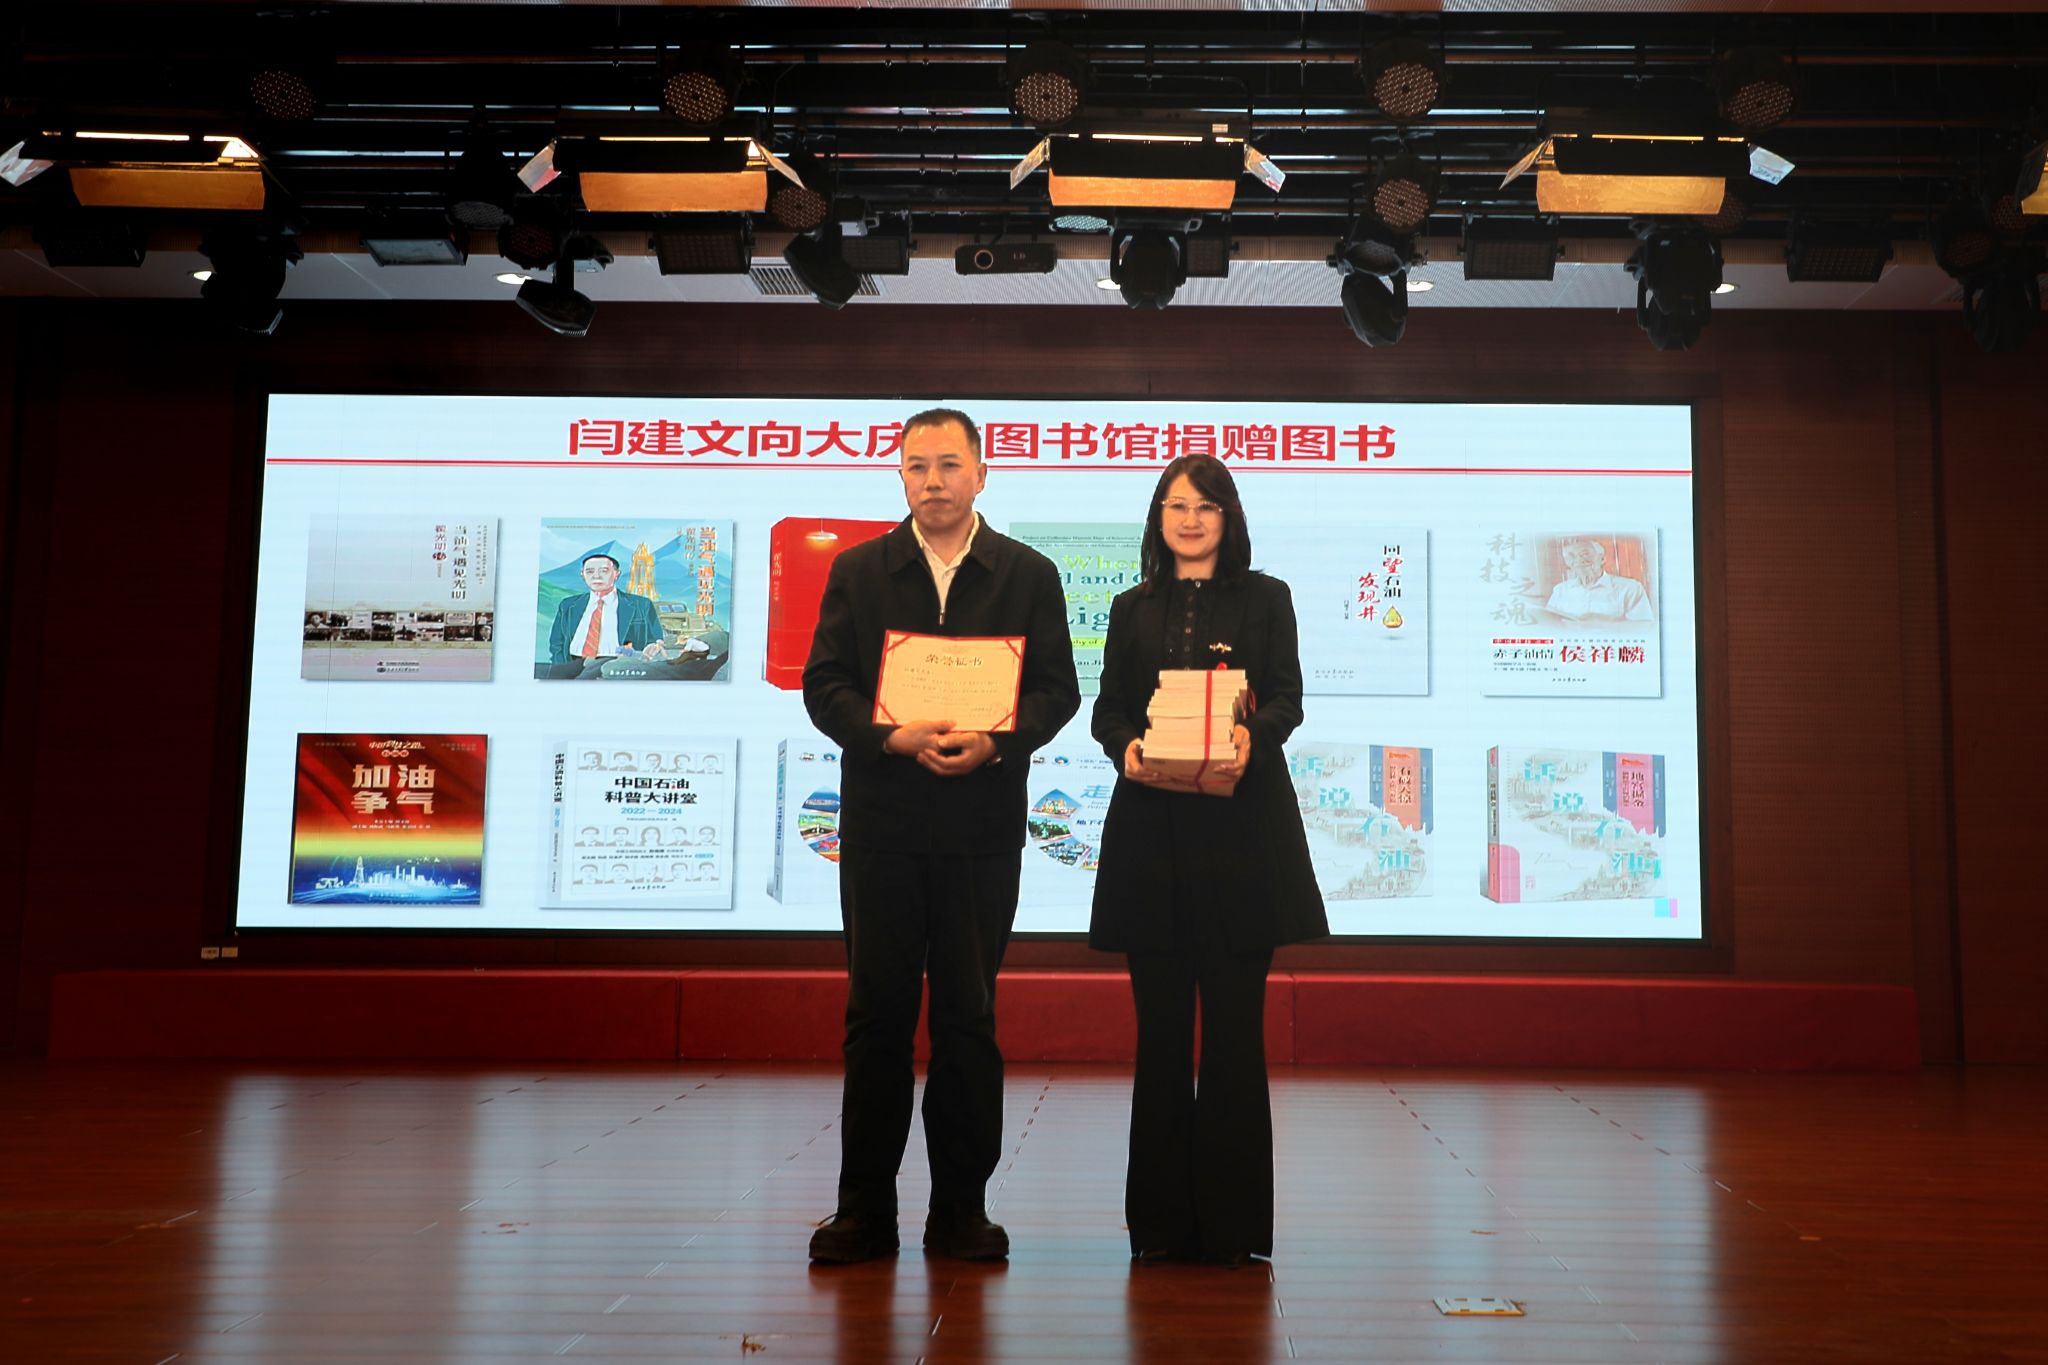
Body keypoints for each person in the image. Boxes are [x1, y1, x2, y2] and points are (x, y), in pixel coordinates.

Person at [802, 407, 1080, 1264]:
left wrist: (997, 740)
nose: (933, 480)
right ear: (900, 475)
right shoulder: (860, 569)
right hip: (883, 827)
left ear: (982, 472)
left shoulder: (1027, 573)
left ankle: (961, 1208)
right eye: (917, 465)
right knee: (875, 1018)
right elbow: (825, 685)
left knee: (968, 1018)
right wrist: (890, 735)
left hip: (980, 829)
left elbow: (1057, 691)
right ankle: (863, 1210)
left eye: (949, 464)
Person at [1088, 453, 1328, 1267]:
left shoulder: (1267, 598)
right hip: (1151, 834)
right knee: (1160, 1035)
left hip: (1241, 835)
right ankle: (1158, 1227)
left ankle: (1232, 1229)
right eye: (1175, 505)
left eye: (1205, 506)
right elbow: (1109, 708)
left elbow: (1288, 696)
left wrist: (1251, 736)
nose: (1189, 520)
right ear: (1157, 518)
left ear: (1229, 517)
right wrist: (1124, 746)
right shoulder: (1130, 607)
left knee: (1232, 1033)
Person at [545, 553, 672, 666]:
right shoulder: (568, 605)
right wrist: (560, 667)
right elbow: (557, 642)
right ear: (582, 575)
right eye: (589, 571)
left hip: (619, 666)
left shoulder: (641, 605)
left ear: (617, 574)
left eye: (604, 571)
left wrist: (653, 648)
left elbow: (655, 638)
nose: (596, 576)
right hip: (573, 664)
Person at [1543, 538, 1654, 623]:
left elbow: (1645, 627)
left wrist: (1607, 621)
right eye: (1571, 556)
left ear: (1602, 558)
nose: (1579, 560)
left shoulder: (1630, 588)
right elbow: (1548, 624)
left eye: (1585, 554)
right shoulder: (1560, 590)